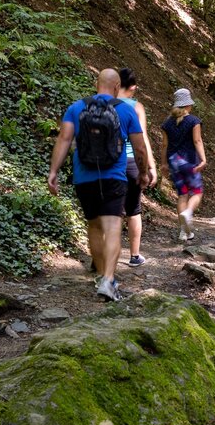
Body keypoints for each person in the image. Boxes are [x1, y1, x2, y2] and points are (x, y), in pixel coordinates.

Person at [47, 69, 150, 301]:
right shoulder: (126, 109)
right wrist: (143, 173)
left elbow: (64, 139)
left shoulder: (76, 108)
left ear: (97, 84)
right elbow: (140, 147)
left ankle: (103, 276)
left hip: (84, 178)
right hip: (114, 176)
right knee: (113, 226)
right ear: (116, 87)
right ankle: (108, 281)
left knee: (94, 227)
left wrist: (54, 171)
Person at [118, 68, 157, 267]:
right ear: (133, 87)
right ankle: (134, 255)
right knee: (133, 209)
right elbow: (142, 139)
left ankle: (104, 256)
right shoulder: (136, 107)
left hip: (109, 163)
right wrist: (151, 167)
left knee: (110, 210)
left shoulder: (105, 103)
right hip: (132, 162)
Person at [161, 88, 207, 241]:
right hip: (189, 162)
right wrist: (203, 159)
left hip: (174, 162)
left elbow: (164, 145)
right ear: (188, 104)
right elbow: (197, 141)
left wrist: (163, 164)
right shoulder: (194, 121)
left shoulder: (167, 123)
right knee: (197, 191)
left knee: (182, 195)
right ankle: (188, 214)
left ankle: (183, 232)